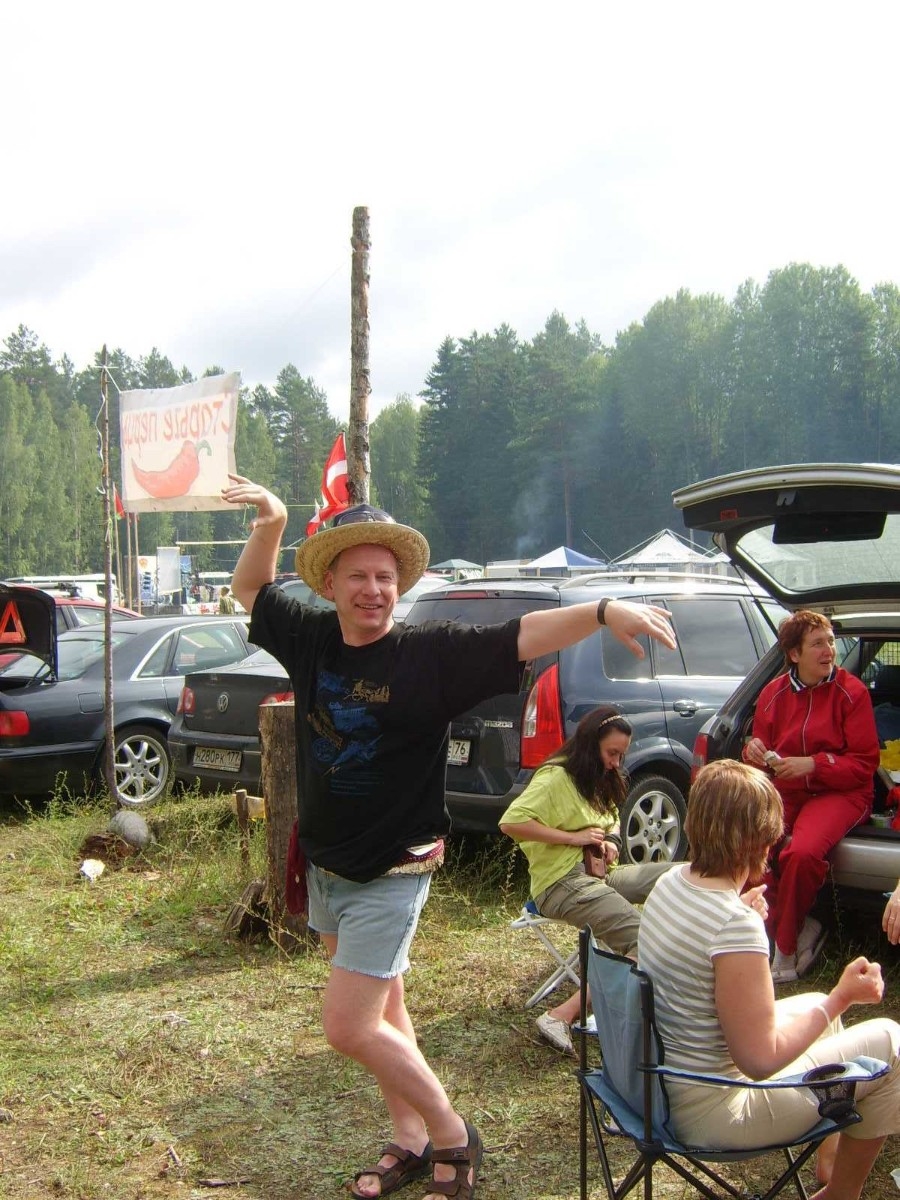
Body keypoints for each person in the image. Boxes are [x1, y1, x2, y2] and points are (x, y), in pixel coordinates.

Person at [222, 473, 677, 1200]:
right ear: (330, 583)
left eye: (385, 577)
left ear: (399, 584)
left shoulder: (427, 655)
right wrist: (271, 520)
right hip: (328, 864)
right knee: (386, 1011)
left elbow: (521, 636)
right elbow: (250, 588)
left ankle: (451, 1134)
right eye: (357, 576)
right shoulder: (310, 638)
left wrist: (600, 609)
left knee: (347, 1026)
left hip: (393, 868)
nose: (373, 590)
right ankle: (408, 1136)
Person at [638, 759, 900, 1200]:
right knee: (892, 1042)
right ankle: (841, 1195)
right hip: (717, 1112)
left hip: (662, 1088)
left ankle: (830, 1164)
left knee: (814, 1005)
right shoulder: (733, 925)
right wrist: (842, 997)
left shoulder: (671, 883)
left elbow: (698, 961)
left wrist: (739, 913)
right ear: (757, 838)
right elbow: (760, 1061)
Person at [499, 705, 674, 1055]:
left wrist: (611, 841)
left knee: (680, 877)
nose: (616, 762)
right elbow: (511, 822)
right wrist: (573, 838)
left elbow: (611, 818)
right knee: (647, 940)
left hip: (598, 875)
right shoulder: (556, 777)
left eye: (621, 755)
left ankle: (679, 975)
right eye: (612, 753)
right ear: (591, 744)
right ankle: (561, 1016)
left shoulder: (597, 775)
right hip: (560, 883)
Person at [742, 610, 880, 983]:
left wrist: (814, 765)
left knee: (801, 854)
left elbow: (864, 765)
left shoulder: (852, 692)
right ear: (794, 654)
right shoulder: (772, 693)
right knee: (752, 847)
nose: (829, 650)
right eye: (818, 644)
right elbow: (759, 748)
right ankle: (767, 935)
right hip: (787, 790)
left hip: (842, 792)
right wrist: (753, 750)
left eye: (831, 642)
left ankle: (786, 951)